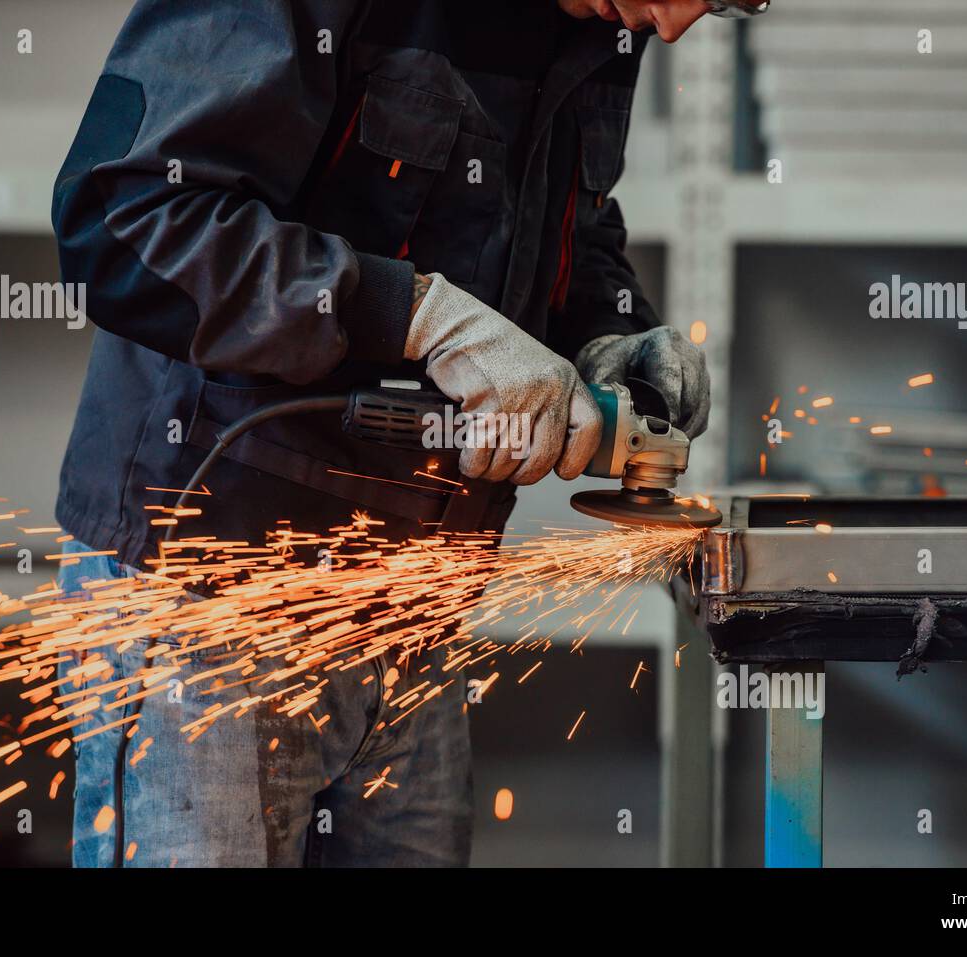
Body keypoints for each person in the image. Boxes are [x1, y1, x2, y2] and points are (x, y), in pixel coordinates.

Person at [52, 0, 743, 867]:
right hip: (215, 591)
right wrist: (419, 318)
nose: (677, 25)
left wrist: (605, 333)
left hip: (417, 599)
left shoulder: (611, 17)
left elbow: (566, 224)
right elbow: (124, 222)